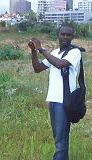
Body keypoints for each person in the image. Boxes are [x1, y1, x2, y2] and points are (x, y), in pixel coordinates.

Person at [28, 24, 81, 160]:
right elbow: (38, 68)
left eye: (68, 35)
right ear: (58, 35)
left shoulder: (75, 52)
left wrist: (41, 49)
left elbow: (60, 64)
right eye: (62, 34)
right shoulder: (54, 53)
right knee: (58, 137)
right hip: (53, 101)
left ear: (72, 37)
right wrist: (34, 51)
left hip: (65, 102)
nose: (65, 37)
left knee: (61, 142)